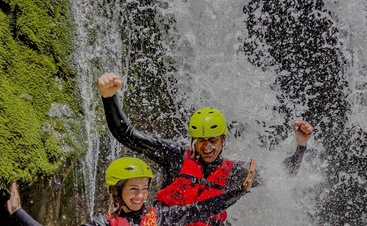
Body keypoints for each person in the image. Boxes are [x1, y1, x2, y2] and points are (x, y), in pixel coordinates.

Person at [98, 72, 313, 226]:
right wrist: (109, 98)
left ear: (222, 139)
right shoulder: (175, 157)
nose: (207, 147)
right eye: (200, 140)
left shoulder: (237, 172)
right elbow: (127, 135)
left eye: (212, 140)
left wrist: (301, 145)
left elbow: (286, 173)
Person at [7, 157, 256, 226]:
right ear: (117, 192)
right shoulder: (102, 224)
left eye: (145, 189)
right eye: (133, 189)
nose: (140, 196)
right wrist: (18, 212)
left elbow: (201, 210)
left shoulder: (159, 217)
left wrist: (239, 192)